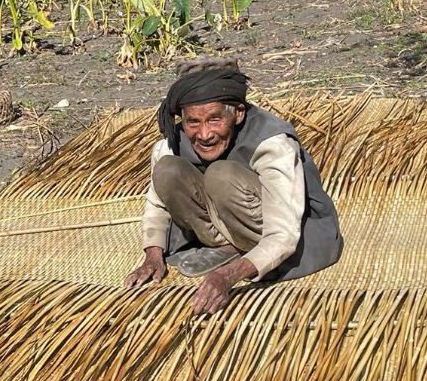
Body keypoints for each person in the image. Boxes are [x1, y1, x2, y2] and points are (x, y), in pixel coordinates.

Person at [123, 57, 343, 314]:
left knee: (221, 175)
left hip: (281, 233)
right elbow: (157, 204)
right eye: (193, 122)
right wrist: (153, 256)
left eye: (215, 120)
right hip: (223, 226)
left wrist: (228, 276)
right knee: (168, 169)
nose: (204, 135)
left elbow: (284, 234)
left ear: (238, 113)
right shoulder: (172, 142)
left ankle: (244, 253)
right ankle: (227, 246)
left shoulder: (273, 142)